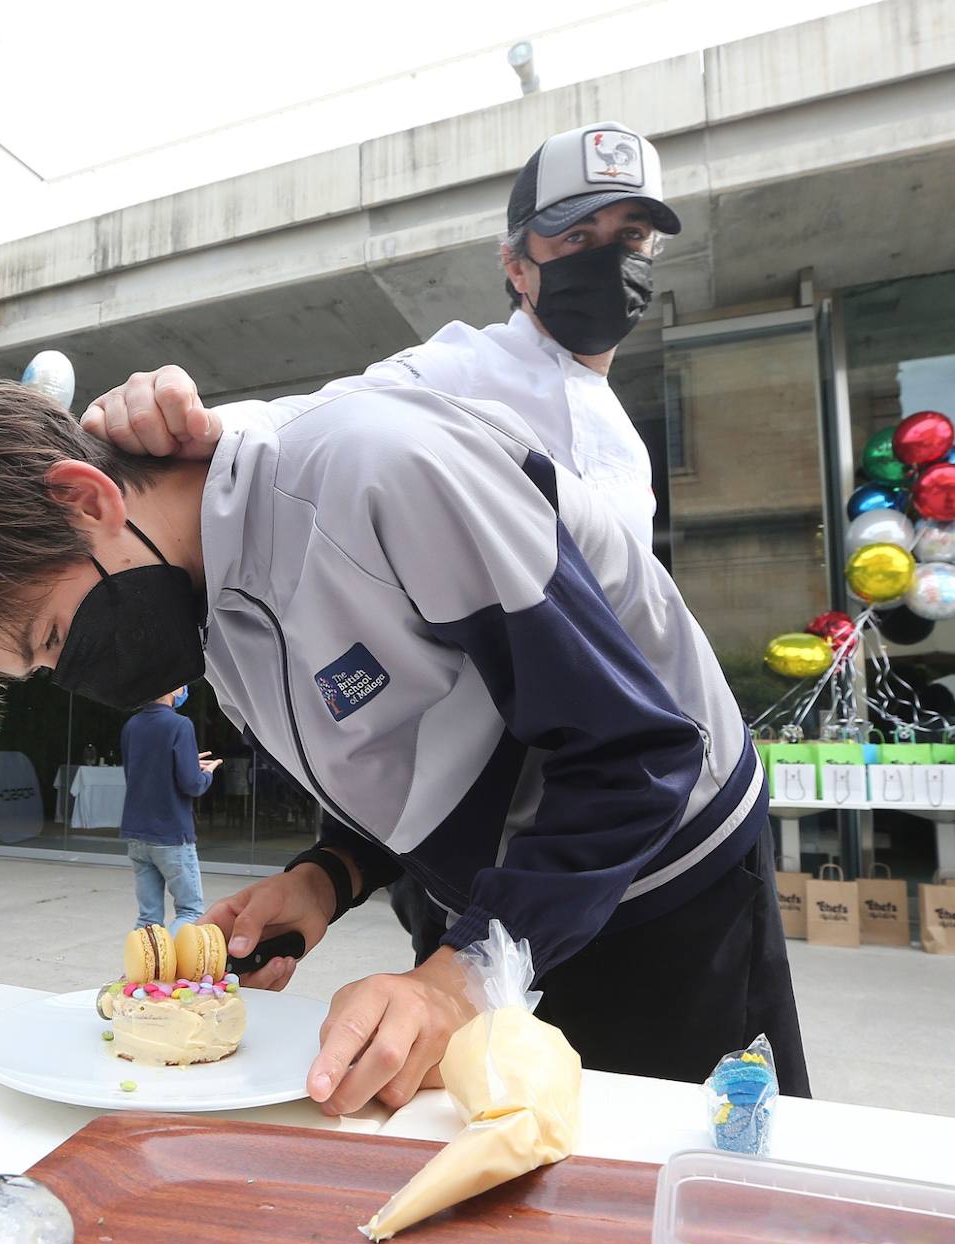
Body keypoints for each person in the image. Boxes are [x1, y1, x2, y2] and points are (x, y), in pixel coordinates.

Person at [0, 378, 809, 1118]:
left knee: (684, 1201)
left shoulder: (376, 471)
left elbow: (634, 752)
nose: (70, 673)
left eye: (47, 637)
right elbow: (420, 745)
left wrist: (462, 979)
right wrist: (325, 876)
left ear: (85, 500)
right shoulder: (211, 616)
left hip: (660, 888)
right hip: (489, 908)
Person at [81, 119, 677, 959]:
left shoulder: (620, 434)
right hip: (487, 883)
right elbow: (328, 418)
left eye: (632, 237)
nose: (607, 259)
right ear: (515, 264)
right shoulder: (459, 372)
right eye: (576, 235)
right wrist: (190, 424)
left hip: (627, 861)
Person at [119, 684, 222, 929]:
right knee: (190, 911)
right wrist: (208, 774)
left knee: (147, 918)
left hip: (136, 834)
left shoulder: (131, 726)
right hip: (171, 833)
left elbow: (139, 774)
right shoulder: (180, 725)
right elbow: (192, 785)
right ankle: (175, 968)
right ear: (172, 688)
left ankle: (143, 967)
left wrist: (184, 761)